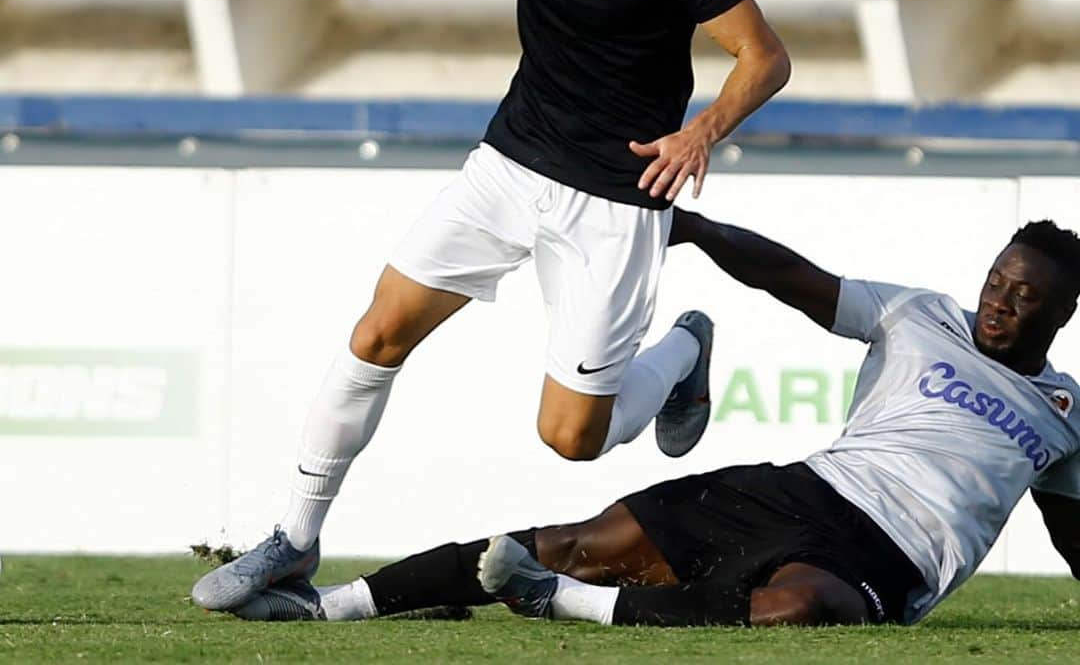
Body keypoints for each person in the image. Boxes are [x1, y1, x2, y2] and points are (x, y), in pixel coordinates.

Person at [191, 0, 790, 613]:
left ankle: (683, 346)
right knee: (378, 332)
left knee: (571, 439)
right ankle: (291, 542)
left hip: (616, 193)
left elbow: (763, 56)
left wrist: (702, 132)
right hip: (511, 161)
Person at [223, 208, 1080, 627]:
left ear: (1060, 313)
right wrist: (700, 229)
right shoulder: (919, 316)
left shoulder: (1065, 414)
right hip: (803, 492)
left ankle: (559, 605)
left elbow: (1073, 530)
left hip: (888, 556)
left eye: (1022, 296)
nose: (996, 303)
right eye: (996, 281)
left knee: (800, 609)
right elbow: (795, 276)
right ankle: (328, 608)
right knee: (577, 539)